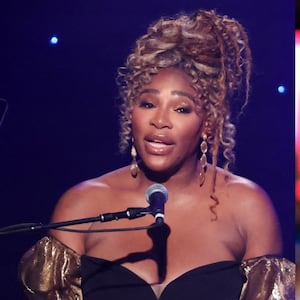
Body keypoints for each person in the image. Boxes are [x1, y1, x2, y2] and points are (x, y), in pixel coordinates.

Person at [18, 9, 294, 300]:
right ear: (130, 113)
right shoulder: (80, 206)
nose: (160, 120)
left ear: (208, 124)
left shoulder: (248, 208)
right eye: (148, 104)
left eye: (181, 109)